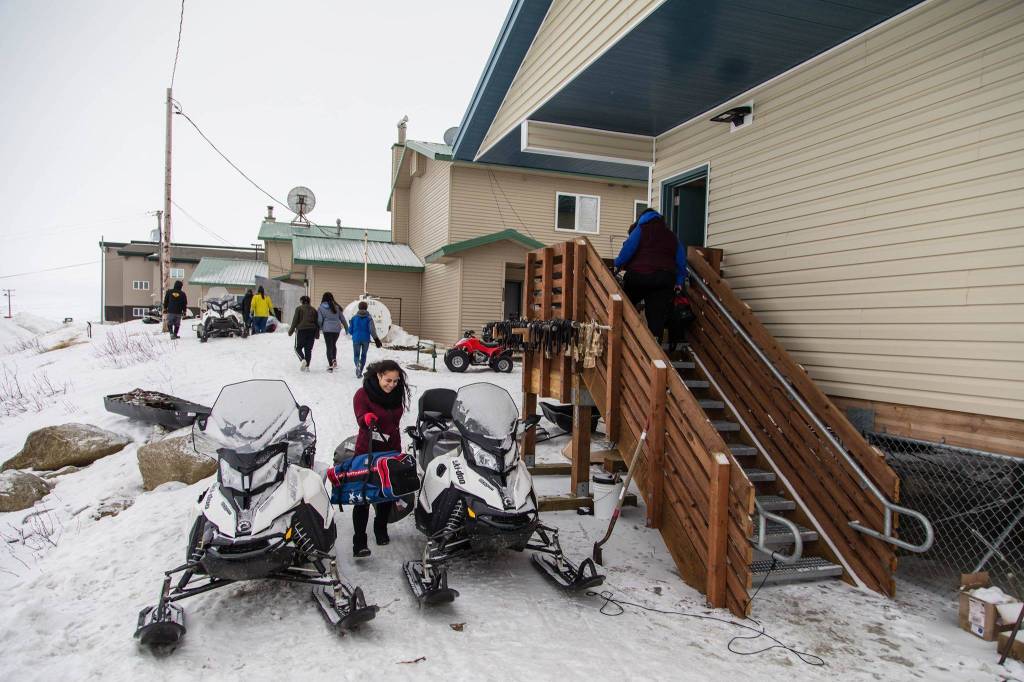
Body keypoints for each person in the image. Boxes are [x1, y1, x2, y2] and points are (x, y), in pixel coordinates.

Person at [351, 359, 410, 557]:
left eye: (395, 381)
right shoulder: (363, 394)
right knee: (364, 496)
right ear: (378, 376)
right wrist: (366, 419)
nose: (392, 385)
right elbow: (360, 416)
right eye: (388, 380)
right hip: (367, 450)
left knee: (386, 493)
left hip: (391, 449)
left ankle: (380, 528)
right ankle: (359, 541)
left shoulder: (396, 392)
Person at [613, 209, 687, 340]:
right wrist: (679, 282)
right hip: (664, 279)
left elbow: (628, 249)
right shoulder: (671, 236)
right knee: (656, 316)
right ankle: (655, 344)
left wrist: (617, 263)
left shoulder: (640, 229)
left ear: (642, 218)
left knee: (626, 304)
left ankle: (625, 335)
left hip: (639, 276)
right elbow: (681, 262)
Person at [348, 300, 382, 379]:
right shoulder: (369, 318)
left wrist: (353, 329)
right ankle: (360, 370)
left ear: (358, 308)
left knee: (356, 355)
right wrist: (376, 339)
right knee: (363, 355)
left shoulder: (354, 318)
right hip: (366, 339)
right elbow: (372, 330)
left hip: (356, 339)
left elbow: (350, 331)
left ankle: (357, 366)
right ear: (366, 308)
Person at [317, 292, 348, 372]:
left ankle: (330, 366)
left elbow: (319, 320)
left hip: (327, 329)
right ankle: (334, 359)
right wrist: (347, 328)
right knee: (333, 344)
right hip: (336, 329)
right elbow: (343, 319)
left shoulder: (321, 308)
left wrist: (320, 327)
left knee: (329, 346)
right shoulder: (337, 307)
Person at [287, 295, 319, 371]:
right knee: (308, 349)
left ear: (302, 301)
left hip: (301, 330)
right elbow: (317, 323)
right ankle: (307, 367)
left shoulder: (299, 309)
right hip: (312, 330)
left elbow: (295, 321)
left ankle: (302, 360)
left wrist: (290, 331)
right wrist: (317, 334)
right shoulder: (314, 310)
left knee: (297, 348)